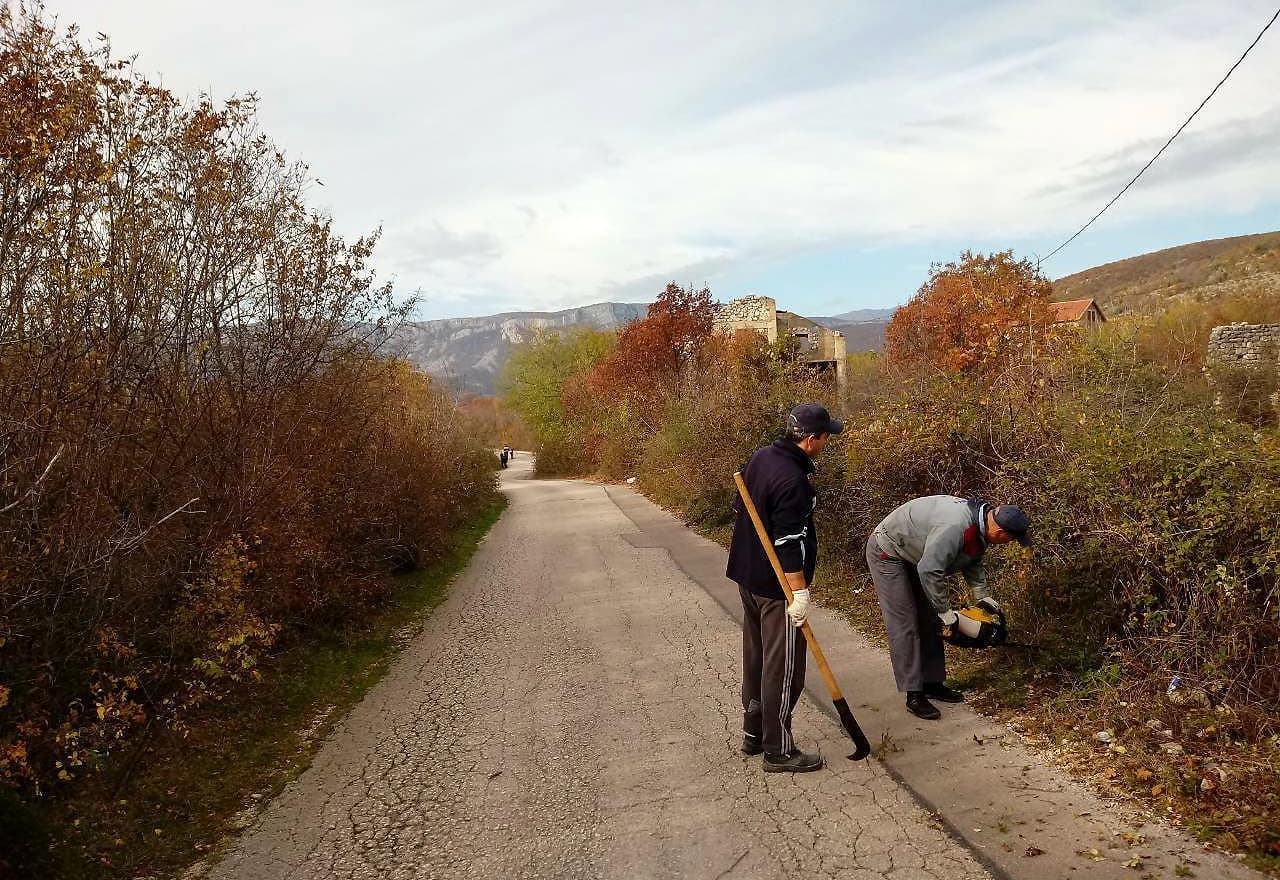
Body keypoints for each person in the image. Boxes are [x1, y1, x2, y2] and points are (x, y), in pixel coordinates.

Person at [727, 403, 843, 773]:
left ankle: (754, 732)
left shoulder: (762, 456)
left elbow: (738, 505)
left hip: (748, 579)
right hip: (777, 589)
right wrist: (799, 594)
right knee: (785, 668)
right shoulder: (794, 481)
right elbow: (789, 542)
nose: (828, 442)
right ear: (811, 440)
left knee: (757, 658)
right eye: (827, 437)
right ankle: (778, 750)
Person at [865, 496, 1030, 720]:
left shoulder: (980, 525)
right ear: (1001, 532)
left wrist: (984, 598)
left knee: (931, 620)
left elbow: (973, 561)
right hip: (888, 551)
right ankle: (914, 693)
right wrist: (945, 612)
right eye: (1012, 539)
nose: (1010, 542)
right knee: (905, 624)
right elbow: (930, 570)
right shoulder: (955, 526)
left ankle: (932, 683)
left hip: (916, 554)